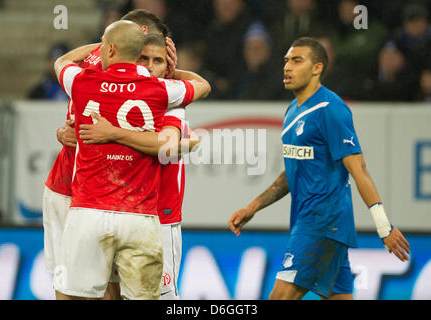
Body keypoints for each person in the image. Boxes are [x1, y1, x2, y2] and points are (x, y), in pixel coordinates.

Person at [228, 37, 410, 300]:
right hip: (317, 225)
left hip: (322, 223)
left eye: (297, 60)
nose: (287, 67)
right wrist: (252, 207)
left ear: (317, 68)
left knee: (279, 297)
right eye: (286, 61)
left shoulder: (331, 109)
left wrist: (384, 227)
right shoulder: (293, 110)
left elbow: (359, 169)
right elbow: (291, 174)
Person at [53, 20, 210, 300]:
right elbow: (202, 86)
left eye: (159, 61)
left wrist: (110, 133)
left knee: (72, 293)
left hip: (150, 214)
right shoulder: (164, 94)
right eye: (144, 58)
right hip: (138, 214)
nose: (151, 67)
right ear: (135, 56)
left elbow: (62, 62)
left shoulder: (84, 82)